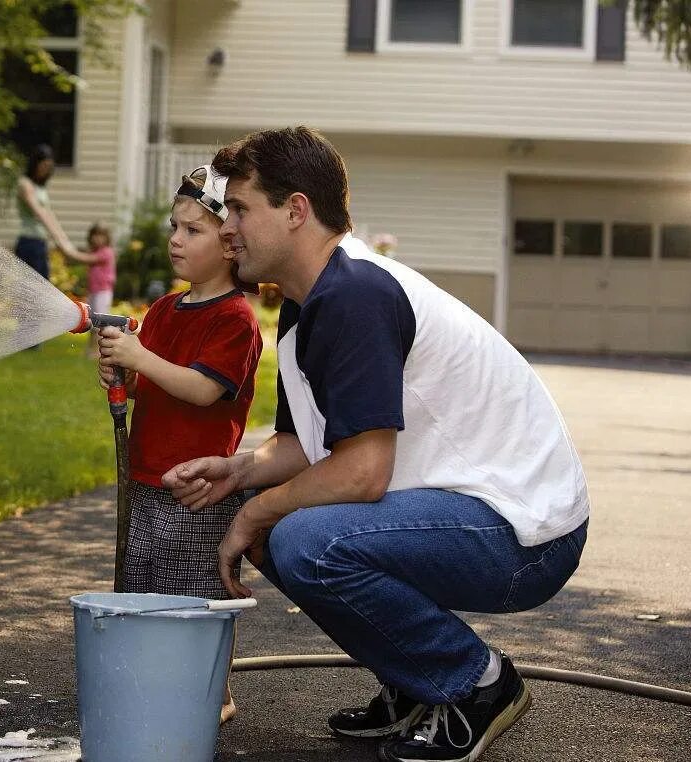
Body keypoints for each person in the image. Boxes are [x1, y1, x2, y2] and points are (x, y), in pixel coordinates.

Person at [161, 127, 590, 762]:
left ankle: (478, 685)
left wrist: (259, 507)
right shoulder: (308, 309)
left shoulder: (357, 293)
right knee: (270, 521)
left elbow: (361, 473)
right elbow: (307, 448)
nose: (228, 228)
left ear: (297, 210)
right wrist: (238, 472)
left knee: (305, 538)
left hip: (524, 534)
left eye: (243, 209)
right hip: (461, 513)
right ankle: (417, 683)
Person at [97, 165, 262, 725]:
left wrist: (141, 358)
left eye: (193, 230)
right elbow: (154, 380)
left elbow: (204, 389)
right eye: (174, 226)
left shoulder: (235, 319)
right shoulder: (167, 310)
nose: (175, 239)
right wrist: (124, 373)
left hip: (199, 489)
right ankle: (158, 685)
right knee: (145, 585)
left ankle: (214, 696)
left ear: (230, 242)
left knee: (197, 595)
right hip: (146, 482)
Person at [15, 144, 90, 278]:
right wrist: (60, 243)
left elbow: (49, 215)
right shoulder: (25, 184)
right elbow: (40, 213)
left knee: (43, 286)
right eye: (43, 166)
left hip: (40, 243)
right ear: (35, 164)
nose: (45, 170)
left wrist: (65, 241)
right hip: (29, 244)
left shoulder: (40, 187)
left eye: (48, 167)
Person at [83, 221, 117, 357]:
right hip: (94, 291)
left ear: (107, 238)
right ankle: (91, 349)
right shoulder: (95, 251)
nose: (97, 239)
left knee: (100, 323)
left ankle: (98, 351)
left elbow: (85, 258)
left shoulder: (106, 252)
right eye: (95, 235)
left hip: (103, 292)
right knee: (91, 321)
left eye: (101, 236)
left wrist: (68, 251)